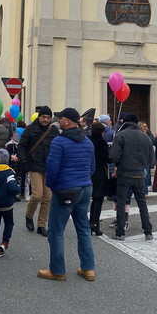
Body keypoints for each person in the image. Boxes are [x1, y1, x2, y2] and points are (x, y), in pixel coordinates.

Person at [37, 108, 95, 282]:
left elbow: (52, 168)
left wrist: (52, 186)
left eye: (60, 118)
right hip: (85, 187)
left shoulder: (59, 142)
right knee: (83, 228)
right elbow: (92, 167)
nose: (58, 121)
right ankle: (88, 268)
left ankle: (57, 270)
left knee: (56, 230)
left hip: (65, 189)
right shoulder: (87, 142)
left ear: (67, 122)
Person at [110, 114, 154, 241]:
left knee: (121, 203)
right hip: (139, 174)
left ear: (125, 122)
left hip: (124, 174)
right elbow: (152, 160)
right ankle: (148, 232)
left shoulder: (121, 135)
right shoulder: (145, 136)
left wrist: (118, 164)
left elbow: (114, 156)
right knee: (142, 204)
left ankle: (120, 233)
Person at [18, 106, 59, 237]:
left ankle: (41, 225)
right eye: (43, 117)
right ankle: (29, 216)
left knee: (48, 197)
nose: (46, 119)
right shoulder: (30, 130)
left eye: (48, 117)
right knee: (37, 195)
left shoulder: (54, 130)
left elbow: (59, 146)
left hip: (49, 167)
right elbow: (22, 146)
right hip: (34, 166)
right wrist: (23, 161)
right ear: (39, 117)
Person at [0, 149, 20, 259]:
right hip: (6, 203)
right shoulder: (8, 173)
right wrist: (18, 189)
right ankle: (5, 242)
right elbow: (12, 187)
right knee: (9, 222)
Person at [88, 122, 109, 236]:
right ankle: (94, 223)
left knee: (93, 198)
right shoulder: (102, 143)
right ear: (102, 132)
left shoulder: (88, 140)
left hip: (89, 171)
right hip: (100, 171)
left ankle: (90, 222)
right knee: (99, 198)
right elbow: (106, 158)